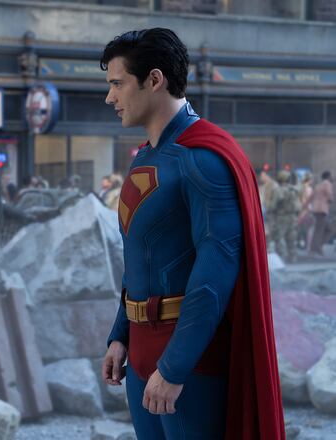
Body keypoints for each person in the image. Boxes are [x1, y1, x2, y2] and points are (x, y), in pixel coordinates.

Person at [99, 28, 283, 439]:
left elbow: (215, 272)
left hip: (189, 361)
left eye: (117, 83)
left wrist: (175, 366)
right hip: (142, 352)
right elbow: (139, 259)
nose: (110, 97)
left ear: (154, 79)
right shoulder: (147, 156)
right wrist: (120, 335)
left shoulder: (204, 158)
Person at [267, 170, 300, 263]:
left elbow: (272, 206)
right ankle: (292, 257)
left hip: (281, 217)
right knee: (292, 237)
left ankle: (281, 258)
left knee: (279, 237)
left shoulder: (278, 190)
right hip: (293, 217)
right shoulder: (294, 190)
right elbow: (298, 205)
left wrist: (269, 207)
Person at [306, 170, 333, 255]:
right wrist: (330, 200)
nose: (332, 177)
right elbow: (330, 195)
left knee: (328, 229)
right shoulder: (327, 183)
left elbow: (311, 197)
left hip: (316, 209)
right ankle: (315, 248)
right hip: (322, 210)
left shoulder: (318, 185)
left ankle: (317, 246)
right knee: (319, 230)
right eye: (331, 176)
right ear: (328, 176)